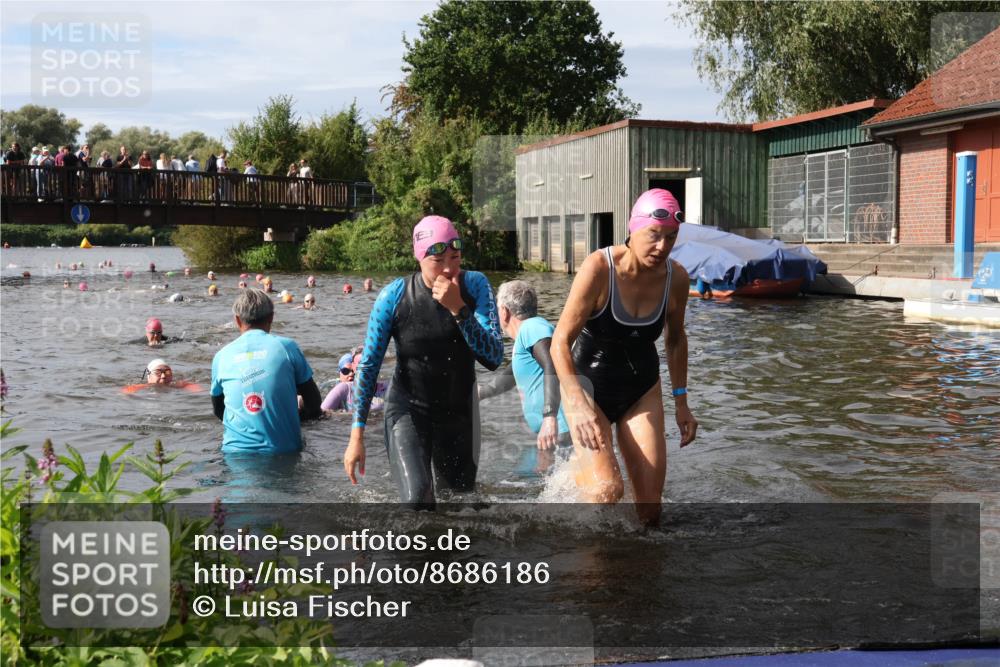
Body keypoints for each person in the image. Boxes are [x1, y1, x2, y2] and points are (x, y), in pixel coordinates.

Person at [551, 188, 698, 526]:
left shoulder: (676, 279)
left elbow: (675, 340)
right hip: (588, 387)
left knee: (649, 511)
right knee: (607, 493)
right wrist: (576, 401)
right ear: (633, 230)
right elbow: (560, 341)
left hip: (641, 389)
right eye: (654, 235)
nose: (662, 246)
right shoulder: (599, 268)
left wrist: (681, 402)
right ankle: (581, 479)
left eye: (671, 238)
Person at [344, 215, 503, 509]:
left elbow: (493, 356)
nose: (448, 268)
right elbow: (368, 367)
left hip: (459, 413)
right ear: (419, 258)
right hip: (408, 410)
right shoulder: (393, 296)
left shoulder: (475, 286)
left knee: (461, 506)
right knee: (418, 502)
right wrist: (357, 435)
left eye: (455, 257)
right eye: (438, 260)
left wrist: (459, 309)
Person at [210, 289, 322, 453]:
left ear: (237, 320)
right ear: (271, 317)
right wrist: (294, 419)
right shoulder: (287, 348)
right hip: (283, 451)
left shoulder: (221, 356)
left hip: (234, 452)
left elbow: (218, 409)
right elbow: (314, 403)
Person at [479, 280, 571, 474]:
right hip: (555, 434)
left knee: (538, 485)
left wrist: (548, 417)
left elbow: (552, 364)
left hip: (561, 430)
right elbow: (507, 378)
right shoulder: (527, 338)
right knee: (537, 483)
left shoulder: (532, 328)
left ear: (504, 311)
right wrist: (479, 393)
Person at [323, 349, 387, 413]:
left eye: (369, 363)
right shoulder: (342, 389)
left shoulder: (386, 388)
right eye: (345, 371)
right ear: (353, 366)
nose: (365, 367)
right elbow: (322, 414)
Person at [122, 359, 203, 393]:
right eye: (158, 372)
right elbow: (125, 392)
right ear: (149, 376)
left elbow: (197, 390)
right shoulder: (142, 387)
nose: (163, 376)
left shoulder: (178, 385)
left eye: (167, 372)